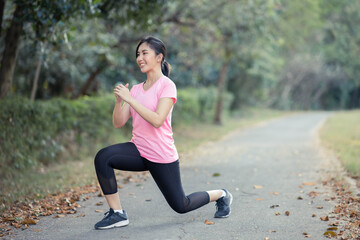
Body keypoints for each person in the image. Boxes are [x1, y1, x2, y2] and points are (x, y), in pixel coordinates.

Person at [94, 36, 232, 230]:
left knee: (181, 205)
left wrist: (131, 100)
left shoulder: (167, 85)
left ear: (159, 57)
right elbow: (118, 123)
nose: (139, 58)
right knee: (103, 157)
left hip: (161, 155)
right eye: (138, 54)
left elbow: (158, 120)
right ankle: (117, 213)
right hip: (139, 150)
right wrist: (119, 102)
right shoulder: (135, 89)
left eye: (144, 53)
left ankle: (222, 194)